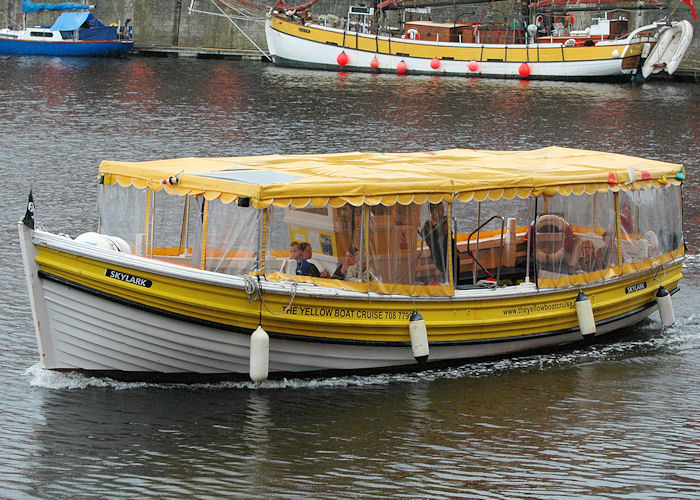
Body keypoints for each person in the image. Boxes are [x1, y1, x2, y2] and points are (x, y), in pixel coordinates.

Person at [421, 203, 460, 282]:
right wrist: (443, 232)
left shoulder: (445, 222)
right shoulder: (428, 226)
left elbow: (451, 237)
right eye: (441, 209)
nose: (443, 212)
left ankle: (455, 285)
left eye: (443, 209)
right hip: (439, 256)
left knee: (454, 276)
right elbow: (433, 244)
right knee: (448, 275)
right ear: (434, 211)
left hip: (451, 254)